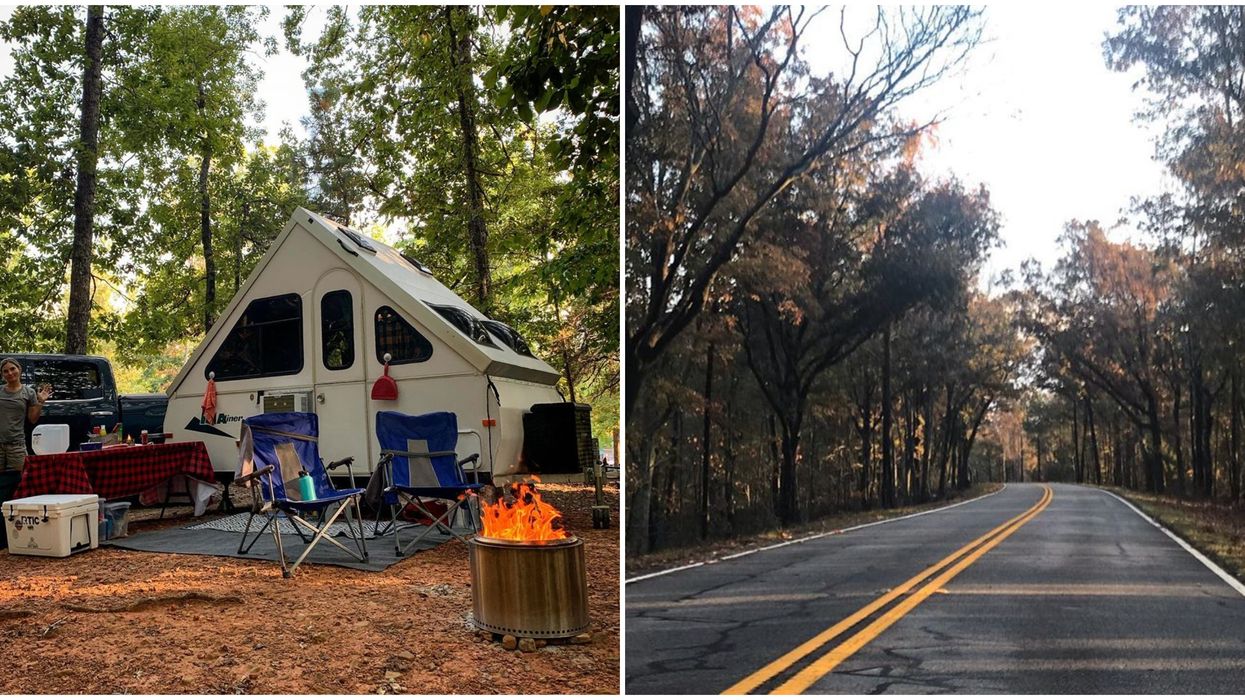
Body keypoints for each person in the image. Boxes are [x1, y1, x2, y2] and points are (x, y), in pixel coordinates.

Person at [0, 358, 52, 471]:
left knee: (18, 481)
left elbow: (32, 419)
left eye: (13, 369)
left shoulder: (29, 392)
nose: (10, 373)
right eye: (5, 371)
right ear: (2, 374)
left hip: (16, 445)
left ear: (19, 369)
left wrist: (41, 402)